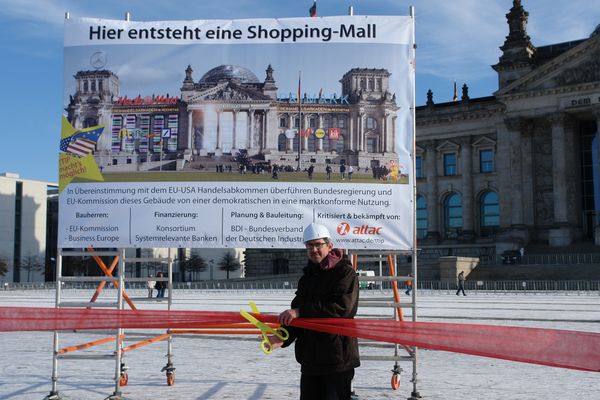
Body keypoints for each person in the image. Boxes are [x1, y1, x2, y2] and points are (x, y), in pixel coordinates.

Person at [267, 222, 360, 400]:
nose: (314, 249)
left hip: (337, 358)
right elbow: (296, 314)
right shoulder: (307, 277)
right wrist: (282, 336)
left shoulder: (344, 272)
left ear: (329, 246)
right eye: (309, 245)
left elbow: (343, 308)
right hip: (310, 359)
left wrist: (301, 312)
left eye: (318, 244)